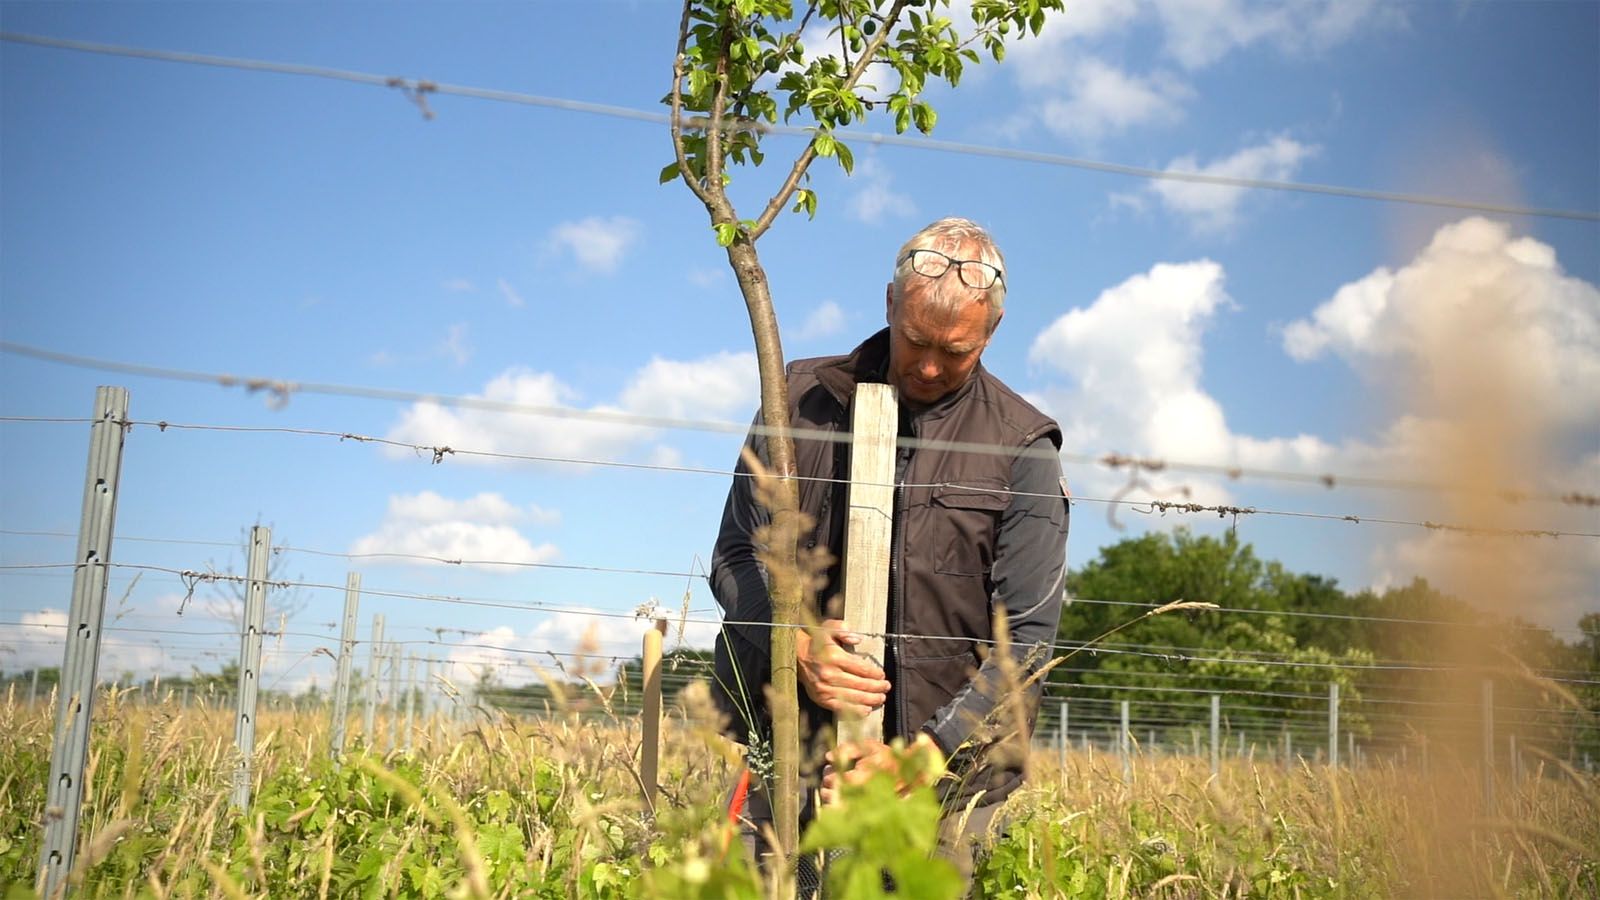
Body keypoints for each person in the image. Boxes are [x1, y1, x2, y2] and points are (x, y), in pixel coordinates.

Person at [709, 217, 1069, 885]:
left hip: (945, 783)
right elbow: (734, 554)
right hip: (785, 753)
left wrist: (927, 755)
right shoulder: (796, 400)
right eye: (916, 340)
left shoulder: (1022, 446)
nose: (929, 367)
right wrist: (794, 641)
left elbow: (1028, 638)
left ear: (991, 331)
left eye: (955, 351)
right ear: (889, 303)